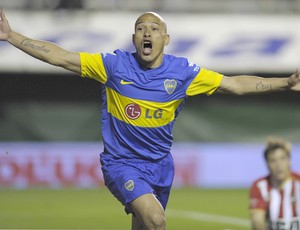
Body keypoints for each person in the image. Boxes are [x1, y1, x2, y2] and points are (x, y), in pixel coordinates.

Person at [0, 9, 300, 230]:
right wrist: (11, 36)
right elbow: (60, 56)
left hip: (160, 165)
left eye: (154, 28)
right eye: (140, 28)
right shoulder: (113, 65)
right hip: (122, 163)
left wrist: (285, 83)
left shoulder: (183, 72)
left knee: (145, 227)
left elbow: (234, 84)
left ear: (166, 39)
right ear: (134, 38)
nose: (147, 32)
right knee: (157, 220)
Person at [249, 137, 300, 230]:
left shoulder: (298, 183)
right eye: (273, 160)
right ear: (267, 163)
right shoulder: (260, 186)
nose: (278, 164)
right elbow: (257, 220)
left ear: (289, 160)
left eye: (282, 158)